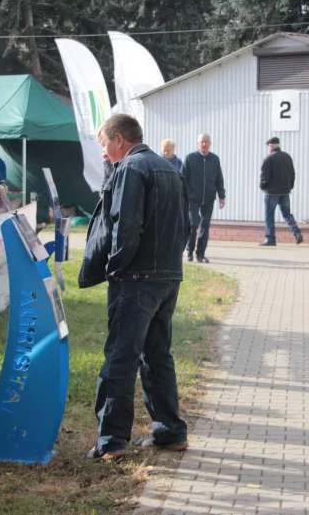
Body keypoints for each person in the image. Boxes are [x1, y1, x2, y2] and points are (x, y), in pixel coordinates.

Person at [78, 113, 189, 460]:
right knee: (158, 356)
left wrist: (114, 267)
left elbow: (124, 226)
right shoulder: (169, 168)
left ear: (119, 140)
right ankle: (170, 432)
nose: (103, 153)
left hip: (136, 279)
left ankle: (111, 440)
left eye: (104, 145)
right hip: (167, 276)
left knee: (120, 359)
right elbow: (185, 223)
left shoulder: (131, 168)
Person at [182, 133, 226, 263]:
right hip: (193, 199)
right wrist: (185, 195)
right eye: (202, 142)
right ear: (198, 143)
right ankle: (189, 251)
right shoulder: (190, 158)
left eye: (207, 142)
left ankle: (200, 254)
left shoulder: (215, 159)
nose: (204, 144)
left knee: (205, 227)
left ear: (210, 144)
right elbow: (183, 178)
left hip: (208, 198)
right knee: (193, 224)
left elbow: (219, 178)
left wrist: (221, 196)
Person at [259, 136, 303, 246]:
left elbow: (264, 176)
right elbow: (293, 174)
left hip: (271, 192)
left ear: (272, 146)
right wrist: (290, 187)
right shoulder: (287, 157)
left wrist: (263, 187)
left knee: (269, 215)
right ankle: (297, 233)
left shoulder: (269, 159)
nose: (268, 148)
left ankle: (270, 238)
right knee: (287, 214)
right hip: (285, 191)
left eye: (269, 146)